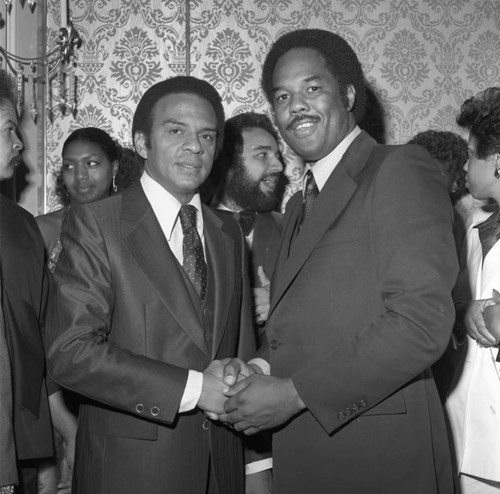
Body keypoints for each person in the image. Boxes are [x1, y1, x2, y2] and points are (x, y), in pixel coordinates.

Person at [219, 28, 458, 493]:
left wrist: (292, 394)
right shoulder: (294, 206)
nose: (296, 106)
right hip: (306, 456)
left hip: (379, 457)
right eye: (282, 96)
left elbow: (422, 322)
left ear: (348, 93)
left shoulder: (399, 168)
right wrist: (260, 370)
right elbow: (301, 328)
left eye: (313, 88)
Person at [45, 76, 268, 494]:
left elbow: (239, 349)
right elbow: (70, 353)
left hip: (222, 469)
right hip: (129, 474)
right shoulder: (96, 224)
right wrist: (198, 388)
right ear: (142, 142)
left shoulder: (229, 234)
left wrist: (240, 375)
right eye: (176, 130)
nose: (195, 146)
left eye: (206, 135)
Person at [0, 69, 54, 493]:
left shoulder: (21, 226)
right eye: (8, 130)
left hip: (15, 436)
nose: (20, 144)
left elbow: (42, 332)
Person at [445, 86, 500, 493]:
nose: (464, 167)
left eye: (470, 154)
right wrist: (467, 313)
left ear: (497, 162)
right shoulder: (474, 229)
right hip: (468, 423)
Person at [211, 112, 287, 329]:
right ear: (228, 165)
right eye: (263, 155)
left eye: (277, 156)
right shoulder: (188, 228)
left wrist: (281, 306)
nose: (279, 167)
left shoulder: (292, 230)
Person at [36, 127, 143, 271]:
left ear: (114, 168)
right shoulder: (43, 230)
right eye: (69, 166)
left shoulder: (136, 228)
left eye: (91, 164)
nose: (80, 175)